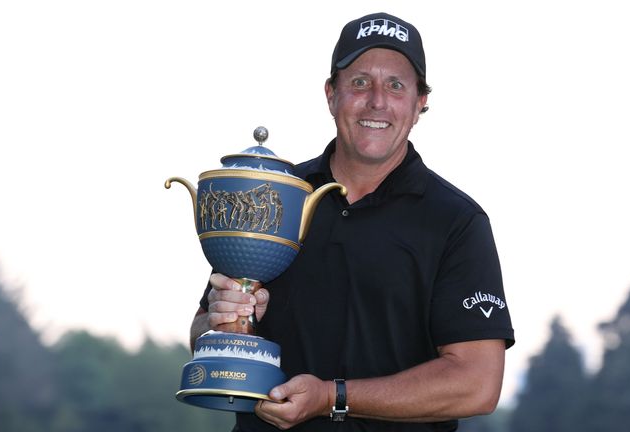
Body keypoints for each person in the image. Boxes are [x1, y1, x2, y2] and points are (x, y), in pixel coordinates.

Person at [190, 12, 515, 431]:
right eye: (360, 82)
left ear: (420, 103)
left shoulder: (456, 221)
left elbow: (477, 384)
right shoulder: (271, 195)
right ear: (331, 94)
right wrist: (222, 319)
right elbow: (202, 334)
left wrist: (332, 397)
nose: (377, 101)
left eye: (396, 85)